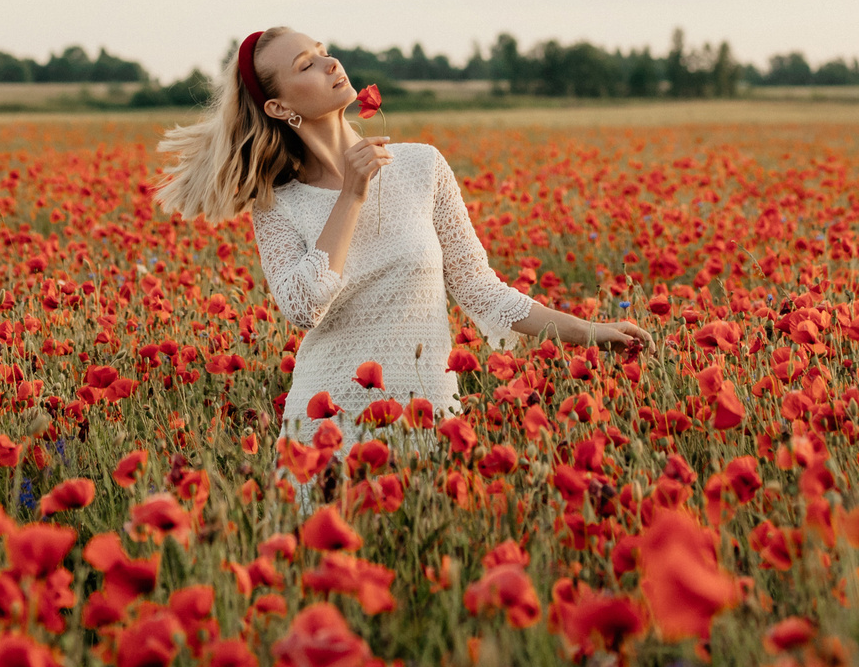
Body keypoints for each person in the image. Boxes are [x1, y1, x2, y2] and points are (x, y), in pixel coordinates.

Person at [153, 25, 651, 445]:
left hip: (429, 415)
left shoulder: (422, 166)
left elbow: (482, 290)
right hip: (328, 429)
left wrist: (589, 332)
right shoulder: (279, 203)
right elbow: (304, 307)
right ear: (280, 108)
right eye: (306, 65)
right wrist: (351, 194)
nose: (330, 63)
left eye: (323, 52)